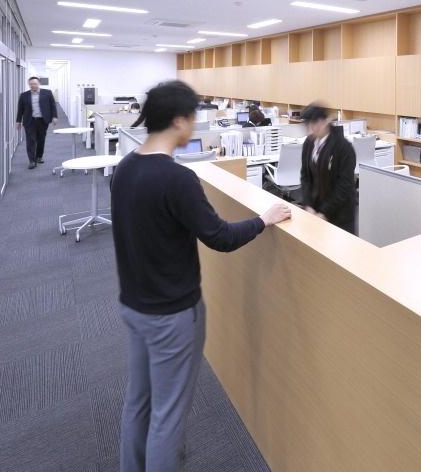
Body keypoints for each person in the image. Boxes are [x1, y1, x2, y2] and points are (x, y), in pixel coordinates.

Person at [110, 80, 291, 472]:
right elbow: (221, 238)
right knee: (168, 416)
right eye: (192, 118)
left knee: (139, 401)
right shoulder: (176, 179)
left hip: (134, 305)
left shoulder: (124, 168)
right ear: (178, 121)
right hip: (172, 314)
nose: (195, 126)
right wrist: (264, 219)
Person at [299, 103, 357, 233]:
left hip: (339, 214)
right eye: (309, 125)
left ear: (325, 121)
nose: (312, 128)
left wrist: (325, 212)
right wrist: (307, 204)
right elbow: (305, 176)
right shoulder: (308, 143)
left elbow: (344, 185)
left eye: (316, 123)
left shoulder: (343, 147)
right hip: (315, 211)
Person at [15, 76, 58, 169]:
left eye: (35, 83)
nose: (33, 85)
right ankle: (32, 161)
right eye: (31, 84)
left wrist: (54, 116)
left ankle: (39, 156)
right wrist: (18, 121)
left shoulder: (47, 93)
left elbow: (52, 105)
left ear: (39, 83)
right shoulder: (24, 95)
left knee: (41, 139)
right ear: (29, 85)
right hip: (29, 121)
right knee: (31, 141)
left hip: (43, 120)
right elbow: (20, 109)